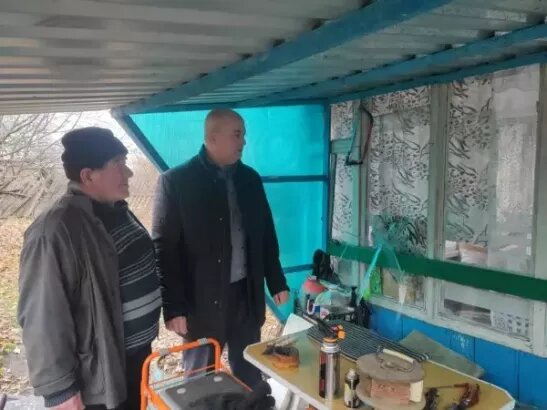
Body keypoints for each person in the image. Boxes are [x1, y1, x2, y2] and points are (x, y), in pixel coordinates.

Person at [17, 127, 161, 410]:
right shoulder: (54, 230)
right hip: (98, 372)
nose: (129, 172)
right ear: (88, 175)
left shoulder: (115, 209)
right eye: (118, 164)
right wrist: (60, 389)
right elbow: (42, 315)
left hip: (134, 356)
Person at [152, 109, 289, 388]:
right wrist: (174, 307)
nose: (244, 141)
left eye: (244, 135)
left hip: (245, 296)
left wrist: (276, 280)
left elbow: (265, 234)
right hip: (200, 301)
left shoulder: (250, 180)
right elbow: (165, 250)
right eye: (237, 134)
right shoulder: (176, 182)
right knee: (201, 381)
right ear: (212, 138)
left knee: (249, 374)